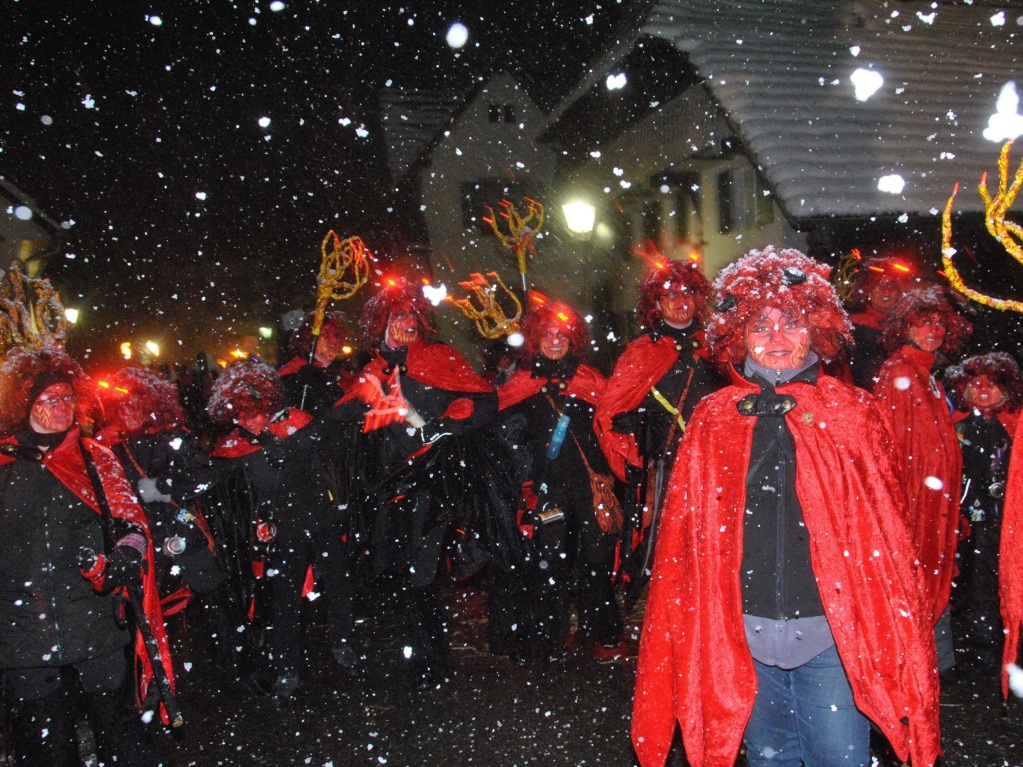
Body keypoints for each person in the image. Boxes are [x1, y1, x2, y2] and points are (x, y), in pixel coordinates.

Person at [632, 246, 940, 767]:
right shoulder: (712, 418)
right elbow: (687, 541)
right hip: (743, 637)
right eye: (760, 326)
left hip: (831, 639)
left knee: (839, 760)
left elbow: (886, 534)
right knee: (770, 761)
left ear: (813, 330)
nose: (776, 337)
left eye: (790, 322)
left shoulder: (851, 412)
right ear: (740, 337)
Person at [330, 277, 507, 688]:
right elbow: (340, 425)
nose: (407, 322)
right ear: (380, 324)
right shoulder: (373, 373)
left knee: (422, 572)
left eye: (412, 314)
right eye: (397, 316)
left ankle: (429, 661)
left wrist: (445, 425)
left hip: (437, 482)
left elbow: (482, 401)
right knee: (407, 574)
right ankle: (423, 656)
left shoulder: (440, 357)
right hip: (393, 488)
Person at [0, 346, 168, 766]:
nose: (62, 407)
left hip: (93, 623)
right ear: (23, 405)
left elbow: (131, 524)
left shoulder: (94, 458)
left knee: (121, 735)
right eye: (49, 399)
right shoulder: (4, 464)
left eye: (67, 397)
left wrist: (128, 555)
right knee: (45, 747)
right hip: (21, 634)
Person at [206, 360, 354, 704]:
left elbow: (327, 450)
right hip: (283, 531)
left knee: (337, 581)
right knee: (284, 599)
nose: (247, 421)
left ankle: (341, 642)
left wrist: (290, 442)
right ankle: (287, 667)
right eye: (240, 415)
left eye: (253, 412)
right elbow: (228, 487)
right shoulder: (234, 446)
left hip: (321, 516)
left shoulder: (297, 422)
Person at [498, 298, 623, 662]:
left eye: (562, 334)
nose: (555, 341)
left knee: (598, 561)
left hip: (589, 486)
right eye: (547, 334)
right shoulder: (521, 383)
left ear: (573, 339)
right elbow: (500, 430)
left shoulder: (589, 379)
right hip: (546, 489)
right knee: (550, 562)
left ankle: (599, 632)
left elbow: (611, 419)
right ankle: (551, 636)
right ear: (536, 340)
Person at [594, 257, 723, 600]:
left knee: (716, 535)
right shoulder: (642, 351)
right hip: (668, 462)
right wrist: (632, 441)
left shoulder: (717, 346)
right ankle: (670, 600)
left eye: (688, 293)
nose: (681, 302)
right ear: (656, 303)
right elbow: (610, 412)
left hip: (715, 461)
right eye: (671, 295)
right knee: (666, 537)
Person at [873, 285, 972, 672]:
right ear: (905, 327)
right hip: (917, 505)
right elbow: (892, 445)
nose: (933, 330)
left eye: (938, 323)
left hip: (934, 505)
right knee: (917, 583)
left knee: (932, 581)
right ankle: (915, 668)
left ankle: (929, 667)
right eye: (922, 322)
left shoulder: (926, 373)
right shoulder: (900, 371)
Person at [96, 366, 224, 618]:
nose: (128, 413)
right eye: (122, 407)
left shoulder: (171, 438)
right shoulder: (109, 448)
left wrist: (165, 486)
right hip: (143, 542)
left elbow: (206, 475)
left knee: (213, 608)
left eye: (135, 406)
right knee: (156, 614)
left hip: (181, 535)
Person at [944, 351, 1022, 672]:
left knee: (997, 579)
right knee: (972, 582)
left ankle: (999, 647)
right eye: (977, 384)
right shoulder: (956, 427)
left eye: (992, 384)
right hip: (966, 519)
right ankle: (981, 649)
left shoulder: (1012, 425)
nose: (985, 390)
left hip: (1006, 519)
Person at [845, 256, 918, 389]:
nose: (886, 290)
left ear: (899, 293)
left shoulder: (908, 327)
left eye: (892, 285)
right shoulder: (855, 325)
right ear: (869, 292)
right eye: (879, 284)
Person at [278, 310, 356, 414]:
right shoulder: (294, 371)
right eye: (326, 334)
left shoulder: (343, 373)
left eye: (337, 335)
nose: (334, 340)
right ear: (309, 338)